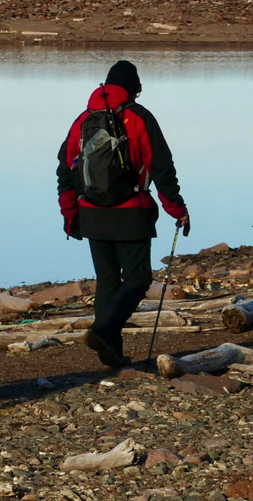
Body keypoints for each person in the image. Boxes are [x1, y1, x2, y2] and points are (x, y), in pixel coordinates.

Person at [57, 60, 189, 369]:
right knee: (138, 278)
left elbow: (65, 171)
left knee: (107, 281)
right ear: (133, 89)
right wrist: (178, 210)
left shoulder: (82, 121)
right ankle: (103, 331)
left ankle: (111, 351)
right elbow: (162, 169)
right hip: (131, 213)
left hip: (91, 214)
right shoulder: (139, 118)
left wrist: (70, 215)